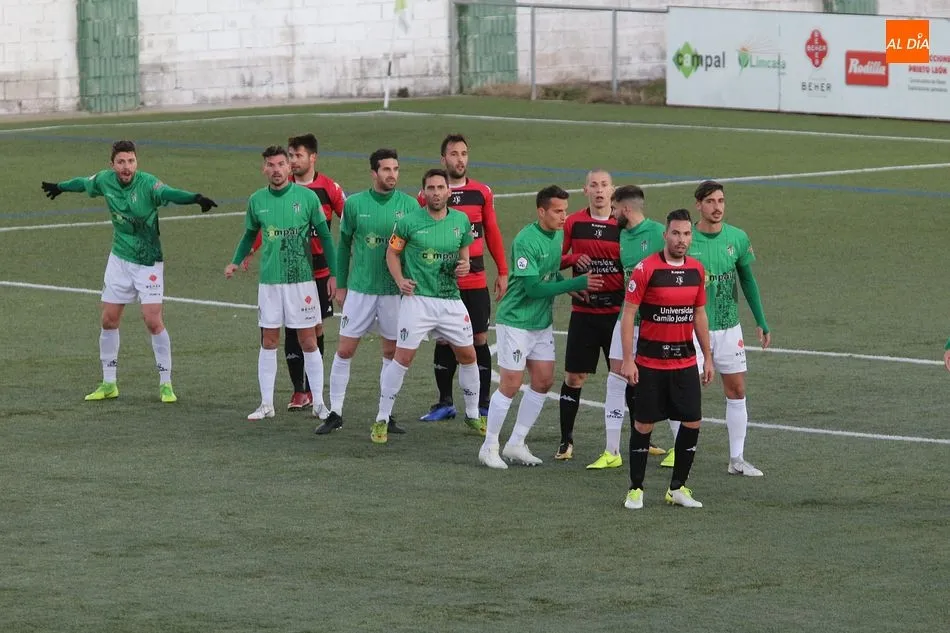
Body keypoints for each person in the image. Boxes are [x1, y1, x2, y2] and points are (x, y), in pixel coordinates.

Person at [40, 140, 217, 403]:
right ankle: (109, 383)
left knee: (152, 320)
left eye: (131, 161)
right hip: (120, 259)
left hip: (148, 261)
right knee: (109, 319)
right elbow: (82, 182)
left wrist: (195, 198)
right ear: (112, 164)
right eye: (121, 162)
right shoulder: (104, 180)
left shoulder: (147, 184)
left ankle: (165, 384)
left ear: (137, 162)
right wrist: (60, 187)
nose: (127, 167)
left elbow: (169, 193)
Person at [478, 186, 604, 469]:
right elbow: (533, 287)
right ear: (542, 211)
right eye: (558, 211)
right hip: (517, 321)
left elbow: (546, 268)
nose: (564, 216)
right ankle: (489, 446)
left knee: (544, 380)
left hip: (541, 322)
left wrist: (567, 266)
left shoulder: (557, 235)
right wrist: (576, 283)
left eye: (565, 210)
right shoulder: (525, 240)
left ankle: (516, 443)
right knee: (510, 383)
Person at [662, 181, 771, 477]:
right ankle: (681, 449)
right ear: (698, 205)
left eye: (721, 200)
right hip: (689, 328)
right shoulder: (685, 240)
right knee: (685, 392)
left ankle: (737, 459)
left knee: (736, 389)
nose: (717, 207)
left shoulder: (737, 237)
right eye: (710, 201)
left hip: (728, 327)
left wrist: (761, 320)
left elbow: (747, 280)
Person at [373, 169, 488, 443]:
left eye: (440, 187)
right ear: (423, 193)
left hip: (450, 301)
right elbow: (392, 252)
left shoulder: (461, 221)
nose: (436, 192)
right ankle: (381, 419)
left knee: (469, 355)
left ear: (449, 192)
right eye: (430, 188)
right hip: (418, 302)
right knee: (403, 358)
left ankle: (472, 414)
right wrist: (400, 280)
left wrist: (464, 267)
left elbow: (465, 257)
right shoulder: (408, 222)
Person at [224, 145, 337, 421]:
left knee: (308, 340)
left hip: (302, 283)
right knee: (269, 340)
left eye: (281, 164)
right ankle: (266, 404)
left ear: (290, 167)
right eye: (271, 165)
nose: (276, 170)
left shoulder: (307, 198)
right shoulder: (256, 200)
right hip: (270, 283)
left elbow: (325, 237)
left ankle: (320, 402)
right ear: (264, 169)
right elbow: (249, 234)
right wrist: (236, 261)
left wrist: (335, 274)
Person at [319, 148, 420, 435]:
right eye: (386, 169)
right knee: (345, 349)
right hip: (361, 291)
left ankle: (385, 415)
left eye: (396, 169)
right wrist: (340, 284)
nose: (392, 175)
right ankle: (335, 412)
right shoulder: (354, 205)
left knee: (391, 351)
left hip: (393, 292)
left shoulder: (410, 205)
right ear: (374, 173)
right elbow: (344, 245)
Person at [620, 208, 713, 509]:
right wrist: (627, 359)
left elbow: (699, 314)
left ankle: (678, 488)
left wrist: (708, 357)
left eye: (686, 234)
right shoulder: (645, 269)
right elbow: (629, 314)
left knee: (693, 421)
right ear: (665, 235)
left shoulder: (697, 271)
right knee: (644, 425)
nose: (681, 239)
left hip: (685, 363)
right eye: (676, 233)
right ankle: (636, 489)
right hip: (649, 363)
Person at [418, 134, 508, 422]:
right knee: (444, 340)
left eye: (464, 153)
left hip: (476, 280)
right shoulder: (429, 195)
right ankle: (444, 402)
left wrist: (503, 271)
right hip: (441, 283)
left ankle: (482, 403)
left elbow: (492, 232)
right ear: (442, 159)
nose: (460, 159)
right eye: (453, 154)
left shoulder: (482, 192)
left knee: (479, 339)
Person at [593, 185, 667, 469]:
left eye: (613, 209)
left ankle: (675, 445)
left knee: (666, 382)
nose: (610, 214)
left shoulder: (660, 233)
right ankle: (612, 451)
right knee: (615, 378)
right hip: (627, 320)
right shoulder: (622, 235)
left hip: (657, 323)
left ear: (625, 208)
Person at [555, 169, 625, 466]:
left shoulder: (624, 223)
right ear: (585, 190)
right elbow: (551, 259)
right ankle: (566, 439)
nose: (599, 190)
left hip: (617, 315)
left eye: (604, 185)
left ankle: (640, 437)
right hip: (584, 313)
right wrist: (571, 278)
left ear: (613, 190)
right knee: (574, 377)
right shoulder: (573, 222)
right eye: (594, 185)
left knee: (627, 378)